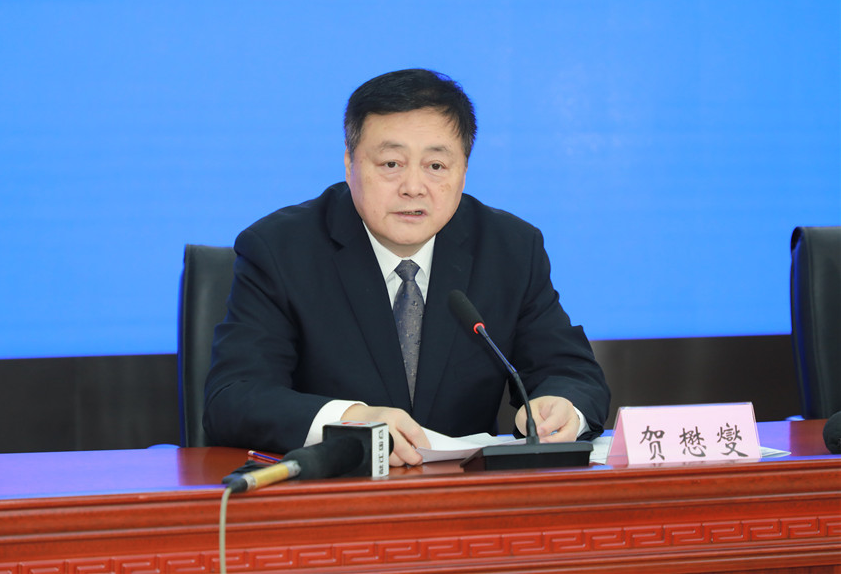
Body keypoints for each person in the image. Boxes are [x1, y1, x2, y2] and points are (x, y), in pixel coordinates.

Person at [204, 68, 610, 467]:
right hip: (334, 492)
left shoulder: (509, 248)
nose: (413, 188)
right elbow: (233, 397)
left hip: (465, 495)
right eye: (391, 164)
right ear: (349, 164)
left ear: (463, 171)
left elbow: (570, 372)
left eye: (436, 166)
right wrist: (352, 419)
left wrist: (562, 407)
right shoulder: (280, 249)